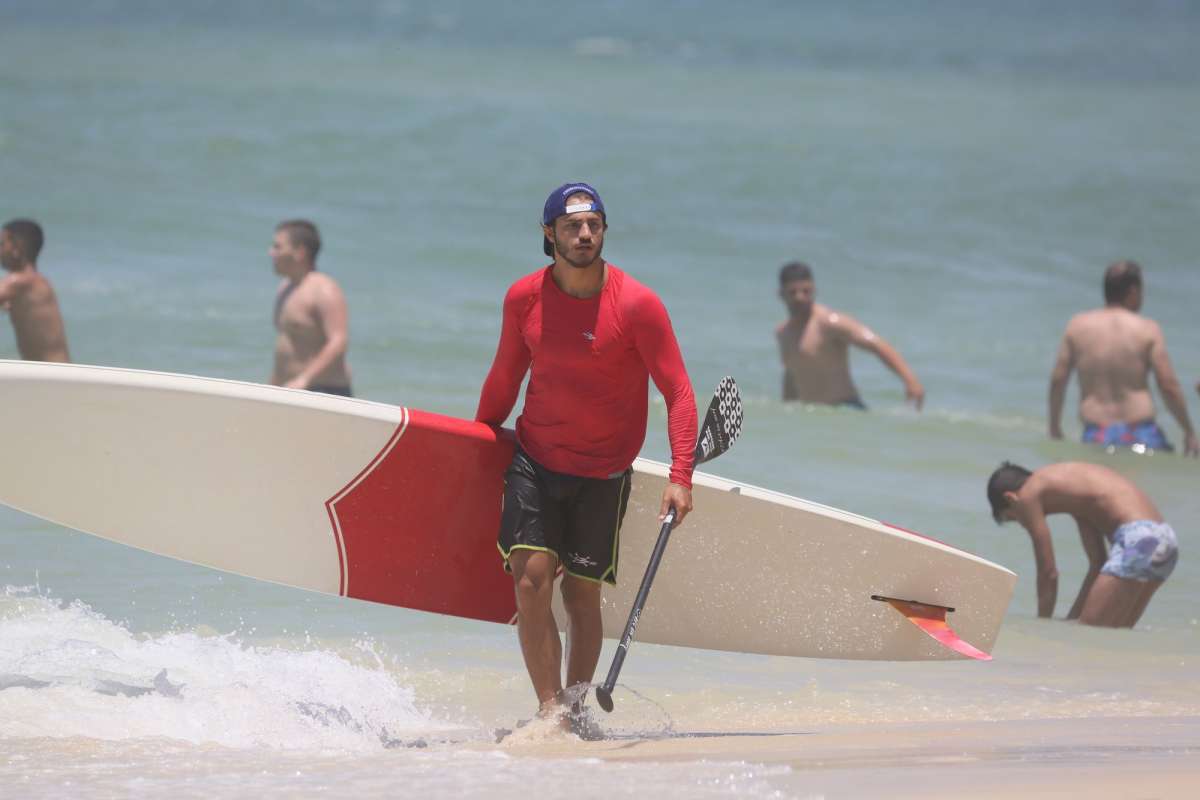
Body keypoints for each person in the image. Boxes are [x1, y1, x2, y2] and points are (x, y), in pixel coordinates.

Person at [475, 182, 697, 728]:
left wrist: (680, 474)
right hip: (535, 458)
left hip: (603, 472)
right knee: (530, 581)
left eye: (593, 224)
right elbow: (505, 377)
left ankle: (576, 710)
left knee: (581, 597)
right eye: (572, 226)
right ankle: (550, 711)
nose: (584, 234)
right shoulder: (523, 298)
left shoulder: (639, 306)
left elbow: (679, 392)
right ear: (548, 234)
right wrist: (477, 439)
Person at [986, 461, 1178, 628]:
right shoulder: (1076, 495)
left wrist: (1042, 625)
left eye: (1013, 518)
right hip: (1164, 541)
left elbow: (1048, 573)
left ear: (1010, 498)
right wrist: (1071, 618)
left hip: (1137, 539)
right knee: (1110, 637)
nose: (1022, 524)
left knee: (1088, 635)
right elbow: (1097, 563)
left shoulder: (1028, 493)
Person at [1048, 260, 1197, 456]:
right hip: (1141, 433)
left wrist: (1055, 426)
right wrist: (1189, 431)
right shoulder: (1147, 329)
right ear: (1133, 292)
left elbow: (1058, 380)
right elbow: (1167, 385)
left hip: (1097, 435)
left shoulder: (1077, 327)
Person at [774, 261, 924, 409]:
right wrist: (788, 411)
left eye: (806, 291)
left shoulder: (830, 322)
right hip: (814, 415)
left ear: (814, 290)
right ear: (781, 294)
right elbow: (792, 373)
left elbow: (876, 344)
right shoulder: (782, 333)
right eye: (793, 292)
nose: (800, 297)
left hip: (845, 409)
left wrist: (910, 381)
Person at [268, 219, 352, 396]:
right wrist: (270, 389)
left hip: (323, 391)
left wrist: (304, 379)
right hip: (289, 388)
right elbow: (286, 345)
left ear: (299, 252)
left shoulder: (325, 290)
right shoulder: (285, 288)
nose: (271, 252)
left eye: (278, 247)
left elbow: (338, 341)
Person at [0, 219, 70, 363]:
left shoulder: (20, 281)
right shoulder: (38, 283)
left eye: (1, 244)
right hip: (56, 371)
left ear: (16, 249)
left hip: (50, 374)